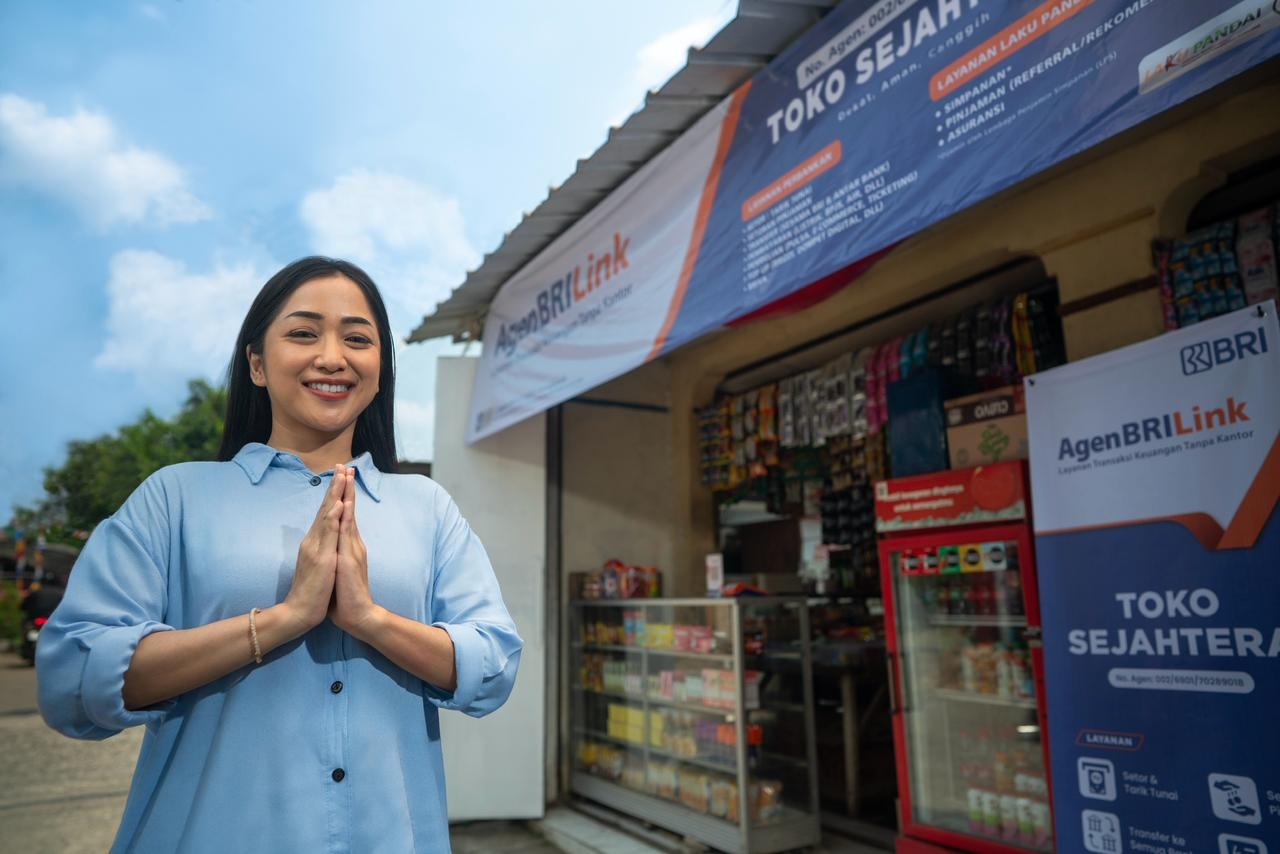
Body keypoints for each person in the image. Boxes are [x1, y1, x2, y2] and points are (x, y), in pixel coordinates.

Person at [36, 257, 522, 852]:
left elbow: (495, 664)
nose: (332, 356)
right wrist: (284, 619)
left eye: (358, 339)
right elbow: (71, 677)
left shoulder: (428, 507)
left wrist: (370, 619)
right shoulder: (176, 497)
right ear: (257, 365)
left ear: (379, 370)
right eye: (303, 332)